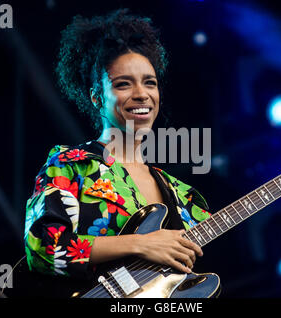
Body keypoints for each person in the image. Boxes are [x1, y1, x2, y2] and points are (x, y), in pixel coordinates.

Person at [24, 8, 212, 295]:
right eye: (123, 84)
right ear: (96, 97)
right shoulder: (70, 165)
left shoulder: (183, 196)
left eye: (150, 82)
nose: (141, 93)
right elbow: (43, 248)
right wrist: (142, 243)